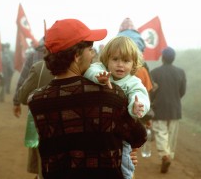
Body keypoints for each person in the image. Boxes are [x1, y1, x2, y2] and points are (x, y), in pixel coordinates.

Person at [27, 18, 147, 179]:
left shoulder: (36, 101)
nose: (93, 55)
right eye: (90, 50)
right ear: (77, 56)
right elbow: (139, 136)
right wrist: (126, 153)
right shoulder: (111, 95)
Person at [117, 17, 155, 179]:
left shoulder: (117, 41)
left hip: (116, 113)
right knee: (131, 150)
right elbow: (147, 93)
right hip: (136, 111)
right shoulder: (142, 69)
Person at [84, 36, 150, 119]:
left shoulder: (133, 82)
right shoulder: (101, 69)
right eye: (115, 59)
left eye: (126, 61)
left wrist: (136, 105)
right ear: (107, 59)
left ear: (133, 63)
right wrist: (99, 76)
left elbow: (139, 94)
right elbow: (90, 70)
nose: (120, 65)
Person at [12, 37, 46, 179]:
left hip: (37, 114)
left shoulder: (34, 56)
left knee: (40, 156)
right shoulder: (73, 60)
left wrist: (16, 101)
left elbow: (23, 81)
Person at [150, 47, 186, 173]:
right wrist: (174, 99)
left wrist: (151, 102)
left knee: (161, 133)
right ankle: (168, 156)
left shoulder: (154, 72)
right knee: (171, 136)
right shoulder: (181, 72)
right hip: (175, 109)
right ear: (174, 58)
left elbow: (151, 92)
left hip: (159, 108)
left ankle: (165, 156)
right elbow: (182, 91)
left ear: (162, 57)